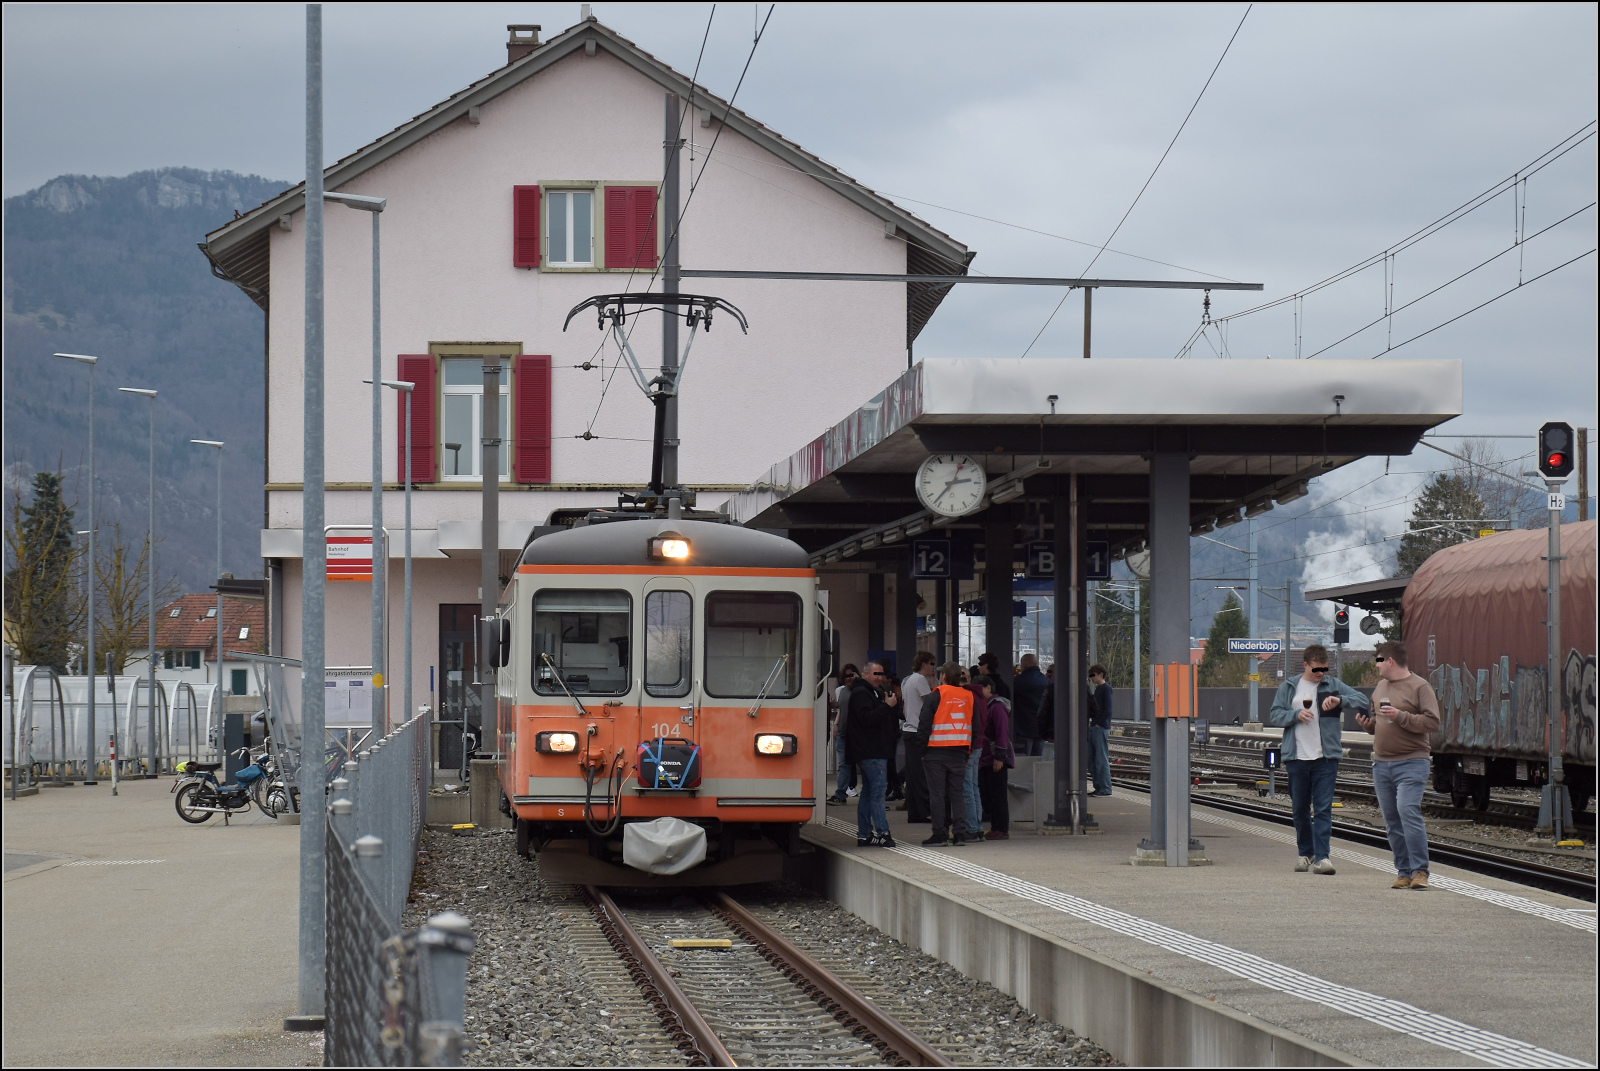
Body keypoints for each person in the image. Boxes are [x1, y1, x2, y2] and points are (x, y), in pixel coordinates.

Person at [1268, 644, 1371, 875]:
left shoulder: (1332, 685)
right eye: (1316, 669)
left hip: (1326, 757)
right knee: (1300, 809)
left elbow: (1361, 698)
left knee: (1323, 808)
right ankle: (1306, 853)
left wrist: (1339, 700)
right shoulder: (1290, 687)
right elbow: (1274, 714)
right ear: (1305, 665)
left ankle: (1323, 858)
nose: (1320, 674)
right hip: (1296, 757)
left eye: (1324, 669)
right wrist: (1295, 715)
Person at [1357, 641, 1441, 890]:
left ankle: (1420, 871)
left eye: (1378, 660)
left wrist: (1401, 716)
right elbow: (1378, 721)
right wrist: (1368, 725)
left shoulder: (1420, 687)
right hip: (1381, 764)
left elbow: (1433, 722)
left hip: (1412, 762)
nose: (1377, 665)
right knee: (1392, 819)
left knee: (1407, 811)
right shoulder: (1380, 687)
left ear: (1390, 661)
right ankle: (1403, 871)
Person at [917, 662, 974, 846]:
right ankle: (959, 834)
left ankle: (940, 834)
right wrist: (967, 752)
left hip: (936, 752)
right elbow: (976, 726)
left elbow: (924, 723)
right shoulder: (968, 696)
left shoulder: (937, 695)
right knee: (957, 794)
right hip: (959, 752)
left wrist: (922, 750)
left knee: (937, 795)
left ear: (944, 677)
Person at [845, 661, 901, 847]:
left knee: (868, 794)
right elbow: (866, 719)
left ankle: (865, 834)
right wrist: (887, 706)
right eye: (875, 673)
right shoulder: (863, 693)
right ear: (865, 674)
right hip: (872, 751)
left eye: (881, 674)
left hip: (870, 750)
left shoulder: (868, 692)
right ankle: (883, 833)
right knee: (877, 794)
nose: (879, 677)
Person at [899, 652, 937, 822]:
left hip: (909, 730)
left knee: (913, 776)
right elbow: (930, 703)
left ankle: (914, 812)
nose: (933, 667)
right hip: (918, 731)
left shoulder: (908, 680)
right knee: (921, 775)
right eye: (931, 663)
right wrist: (934, 685)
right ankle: (924, 812)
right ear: (923, 664)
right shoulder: (921, 680)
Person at [978, 675, 1015, 839]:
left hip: (995, 757)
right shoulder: (986, 706)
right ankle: (996, 827)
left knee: (998, 794)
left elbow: (1002, 733)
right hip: (986, 757)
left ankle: (1001, 828)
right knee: (989, 793)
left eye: (979, 689)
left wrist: (1000, 757)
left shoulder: (997, 707)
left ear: (988, 688)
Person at [962, 676, 997, 841]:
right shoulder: (981, 698)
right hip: (978, 746)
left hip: (970, 746)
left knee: (967, 788)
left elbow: (970, 722)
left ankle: (972, 827)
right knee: (974, 787)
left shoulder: (968, 697)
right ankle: (977, 827)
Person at [828, 665, 860, 805]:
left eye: (852, 675)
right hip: (843, 733)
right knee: (843, 765)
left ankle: (872, 794)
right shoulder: (842, 691)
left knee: (865, 764)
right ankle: (840, 794)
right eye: (846, 676)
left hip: (857, 734)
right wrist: (836, 724)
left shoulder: (861, 691)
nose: (849, 678)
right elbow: (841, 710)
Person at [1011, 653, 1050, 757]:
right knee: (1037, 759)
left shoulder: (1018, 681)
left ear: (1025, 664)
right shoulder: (1046, 681)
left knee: (1023, 761)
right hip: (1041, 728)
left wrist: (1011, 675)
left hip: (1023, 728)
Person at [1087, 664, 1113, 796]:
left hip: (1100, 728)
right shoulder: (1098, 690)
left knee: (1100, 759)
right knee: (1092, 759)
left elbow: (1108, 709)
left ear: (1100, 674)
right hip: (1095, 726)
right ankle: (1098, 787)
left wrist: (1099, 723)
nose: (1091, 678)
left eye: (1093, 675)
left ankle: (1105, 788)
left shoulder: (1105, 689)